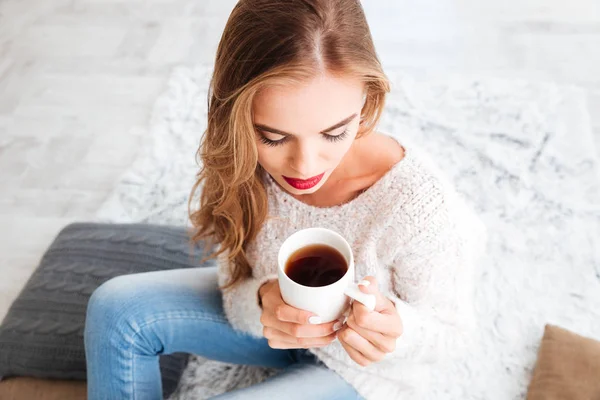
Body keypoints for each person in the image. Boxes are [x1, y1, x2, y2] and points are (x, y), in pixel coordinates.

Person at [84, 0, 486, 399]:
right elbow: (233, 285)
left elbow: (452, 336)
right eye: (273, 137)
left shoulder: (417, 202)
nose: (303, 166)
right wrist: (260, 302)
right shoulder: (242, 161)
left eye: (333, 133)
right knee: (116, 310)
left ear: (367, 98)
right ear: (236, 119)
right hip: (269, 338)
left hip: (362, 373)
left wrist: (398, 330)